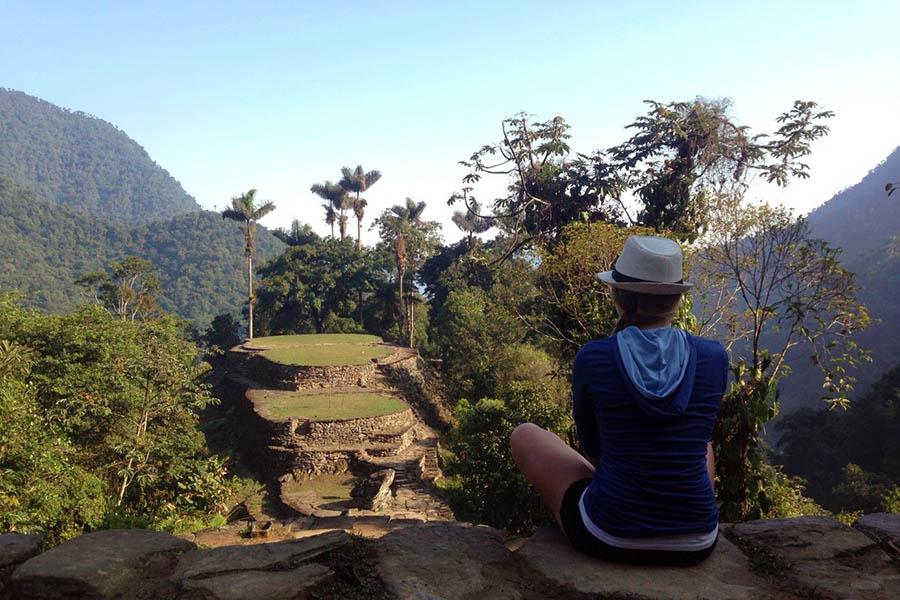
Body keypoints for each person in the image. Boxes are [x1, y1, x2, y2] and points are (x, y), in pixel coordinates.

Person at [510, 235, 728, 566]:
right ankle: (673, 510)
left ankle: (624, 494)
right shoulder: (714, 357)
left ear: (620, 296)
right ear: (676, 297)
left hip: (608, 533)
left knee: (524, 434)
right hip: (696, 540)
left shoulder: (595, 358)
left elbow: (592, 447)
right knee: (703, 442)